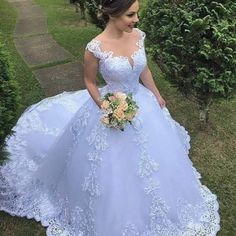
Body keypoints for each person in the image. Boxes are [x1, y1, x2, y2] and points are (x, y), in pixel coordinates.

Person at [0, 0, 220, 235]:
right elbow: (90, 82)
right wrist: (107, 106)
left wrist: (157, 95)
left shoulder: (138, 36)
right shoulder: (95, 47)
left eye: (136, 14)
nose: (136, 20)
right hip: (112, 105)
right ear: (112, 14)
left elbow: (144, 69)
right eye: (130, 15)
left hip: (142, 103)